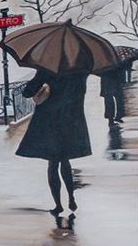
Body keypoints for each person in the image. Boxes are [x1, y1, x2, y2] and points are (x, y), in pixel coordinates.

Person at [13, 68, 92, 216]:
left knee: (53, 163)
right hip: (70, 120)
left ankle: (58, 205)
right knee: (65, 160)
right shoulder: (79, 70)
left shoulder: (48, 68)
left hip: (50, 121)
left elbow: (27, 92)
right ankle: (71, 198)